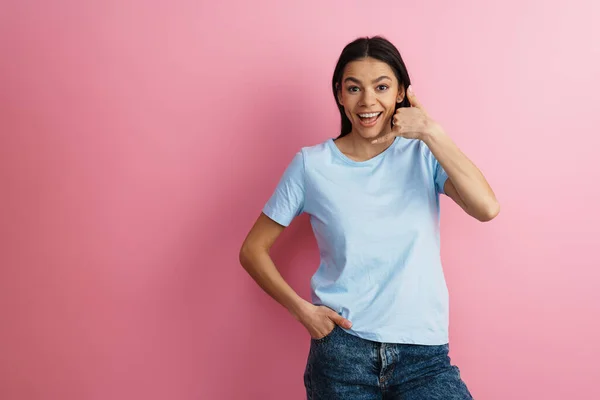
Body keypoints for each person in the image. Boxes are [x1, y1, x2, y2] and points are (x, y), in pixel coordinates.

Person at [239, 35, 499, 399]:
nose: (367, 101)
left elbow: (486, 207)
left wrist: (430, 130)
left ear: (401, 93)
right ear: (340, 94)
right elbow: (252, 250)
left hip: (423, 356)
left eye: (381, 86)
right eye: (354, 87)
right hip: (343, 354)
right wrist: (303, 312)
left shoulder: (422, 154)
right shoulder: (311, 165)